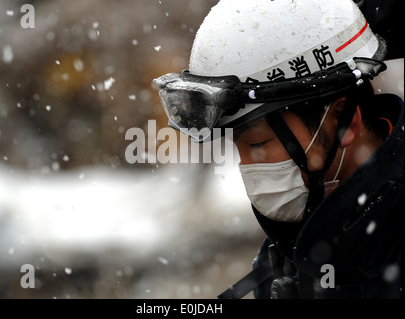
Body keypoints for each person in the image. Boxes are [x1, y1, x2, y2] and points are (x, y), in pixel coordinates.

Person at [154, 0, 404, 298]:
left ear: (342, 121)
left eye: (258, 143)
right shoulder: (296, 247)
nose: (247, 167)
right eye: (237, 147)